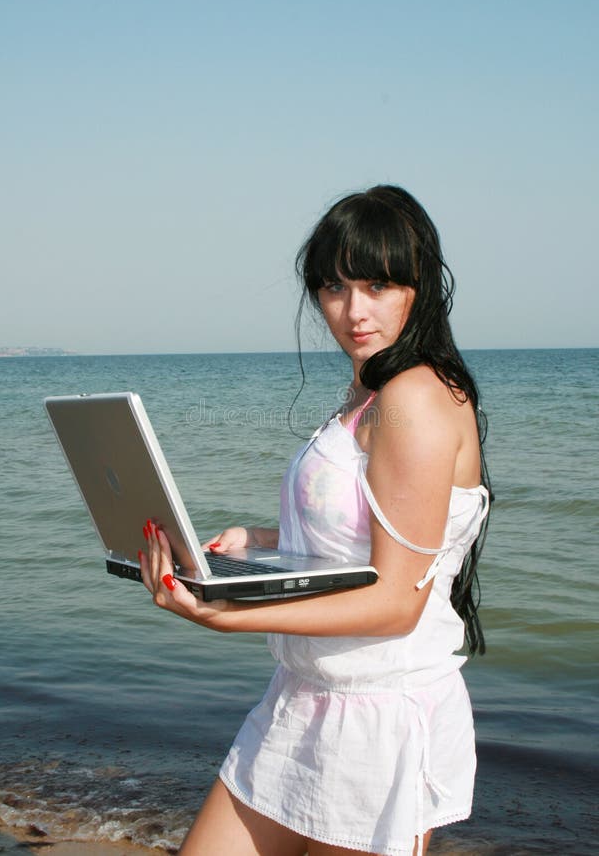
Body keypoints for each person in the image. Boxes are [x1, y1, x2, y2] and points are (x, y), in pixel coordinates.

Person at [138, 184, 491, 856]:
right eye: (333, 287)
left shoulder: (416, 395)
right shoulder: (372, 389)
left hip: (377, 718)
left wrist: (226, 613)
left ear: (420, 287)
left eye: (379, 285)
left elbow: (395, 604)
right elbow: (367, 532)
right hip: (302, 699)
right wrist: (261, 543)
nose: (354, 310)